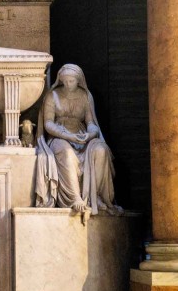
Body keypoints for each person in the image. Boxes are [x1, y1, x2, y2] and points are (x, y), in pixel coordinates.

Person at [34, 64, 122, 215]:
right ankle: (74, 198)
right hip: (59, 137)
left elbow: (91, 122)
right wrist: (67, 135)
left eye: (71, 81)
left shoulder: (85, 96)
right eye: (65, 81)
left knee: (101, 150)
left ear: (78, 80)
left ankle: (96, 196)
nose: (68, 84)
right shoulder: (52, 96)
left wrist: (89, 134)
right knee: (66, 152)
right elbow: (48, 123)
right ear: (60, 80)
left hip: (82, 137)